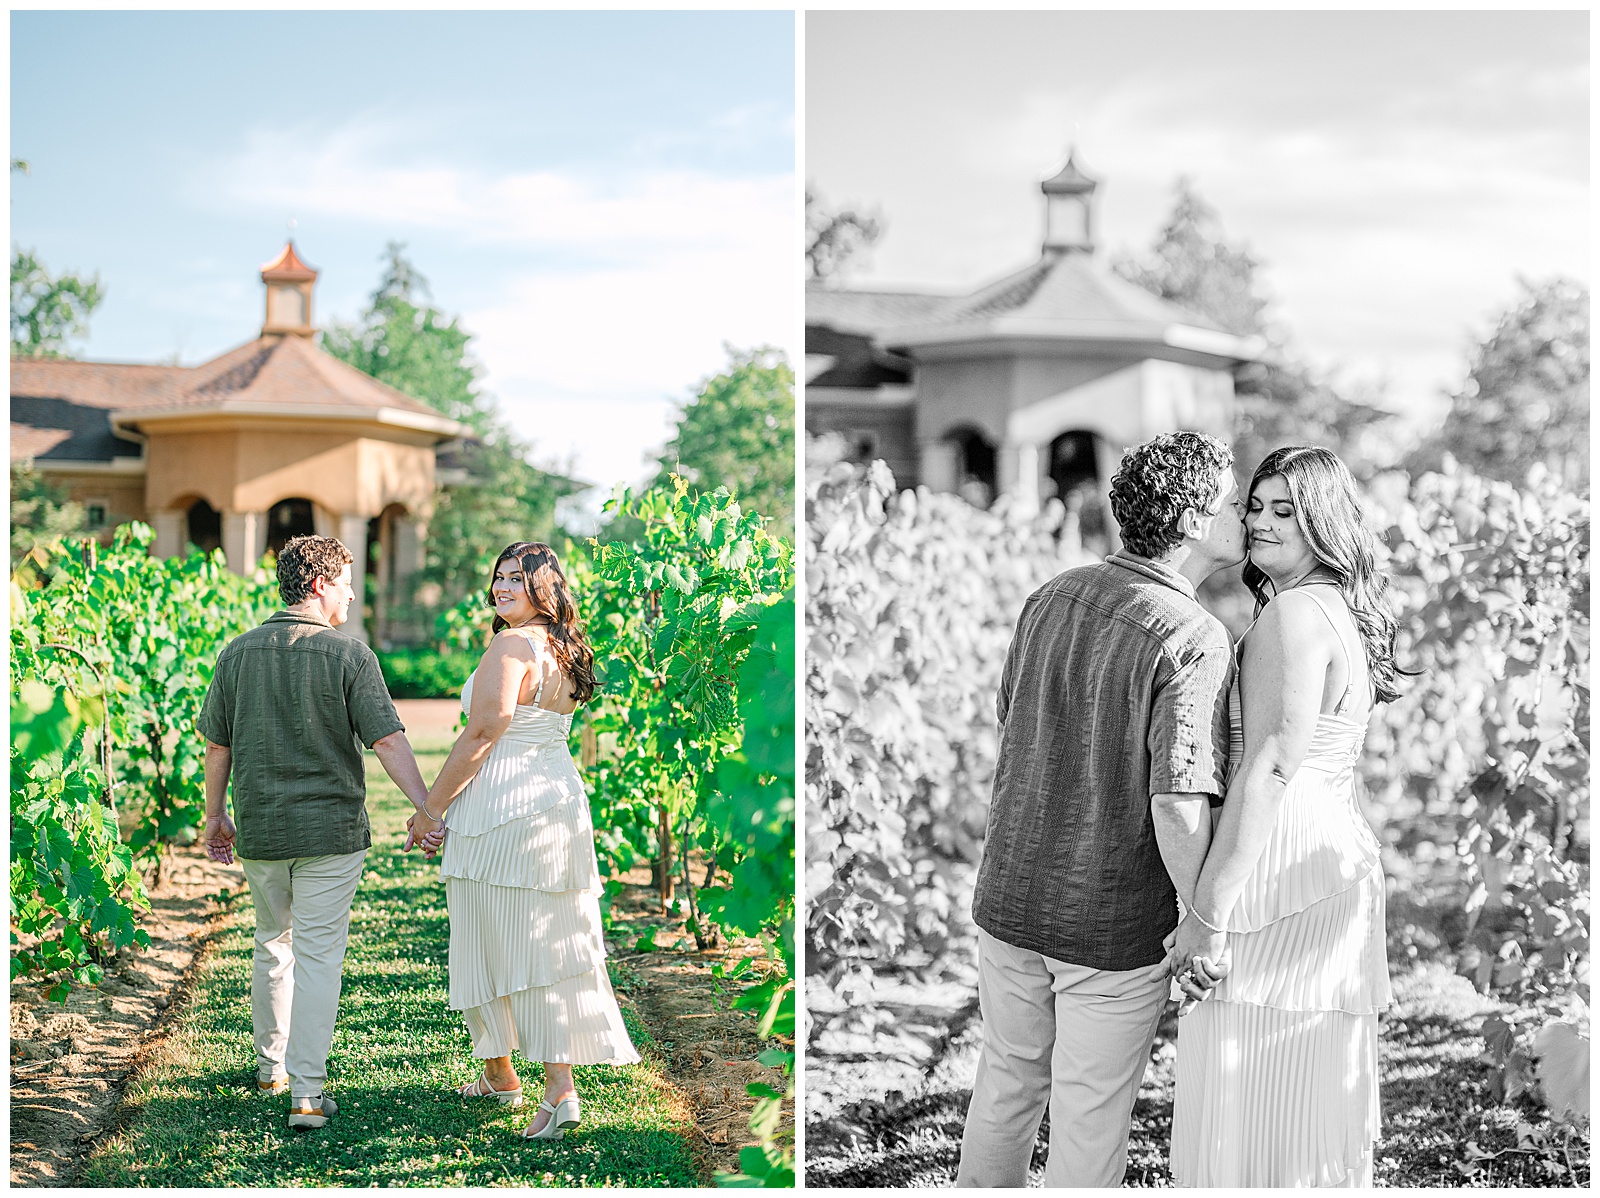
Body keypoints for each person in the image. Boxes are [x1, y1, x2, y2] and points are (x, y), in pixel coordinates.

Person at [957, 431, 1246, 1188]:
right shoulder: (1193, 635)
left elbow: (1010, 718)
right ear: (1190, 519)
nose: (1244, 515)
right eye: (1231, 500)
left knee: (1007, 1086)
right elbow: (1177, 800)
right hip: (1108, 922)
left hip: (1011, 896)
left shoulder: (1049, 596)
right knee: (1089, 1115)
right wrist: (1203, 923)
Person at [1161, 445, 1398, 1187]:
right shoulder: (1335, 610)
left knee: (1247, 1085)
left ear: (1321, 520)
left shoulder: (1294, 615)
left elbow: (1268, 768)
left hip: (1278, 873)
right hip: (1330, 855)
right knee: (1303, 1084)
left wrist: (1208, 911)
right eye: (1254, 507)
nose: (1259, 524)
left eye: (1283, 511)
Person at [201, 534, 436, 1131]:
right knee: (319, 956)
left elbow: (217, 743)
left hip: (260, 827)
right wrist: (427, 809)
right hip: (330, 832)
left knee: (271, 941)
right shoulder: (350, 656)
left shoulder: (236, 653)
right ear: (319, 584)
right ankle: (306, 1093)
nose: (353, 593)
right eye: (346, 582)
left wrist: (215, 816)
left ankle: (268, 1067)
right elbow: (386, 740)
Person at [410, 541, 639, 1140]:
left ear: (546, 586)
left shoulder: (512, 645)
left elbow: (485, 731)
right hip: (558, 797)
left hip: (503, 804)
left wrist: (429, 810)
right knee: (547, 940)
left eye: (518, 578)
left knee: (495, 939)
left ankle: (553, 1087)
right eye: (499, 577)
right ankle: (503, 1074)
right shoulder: (563, 644)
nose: (503, 587)